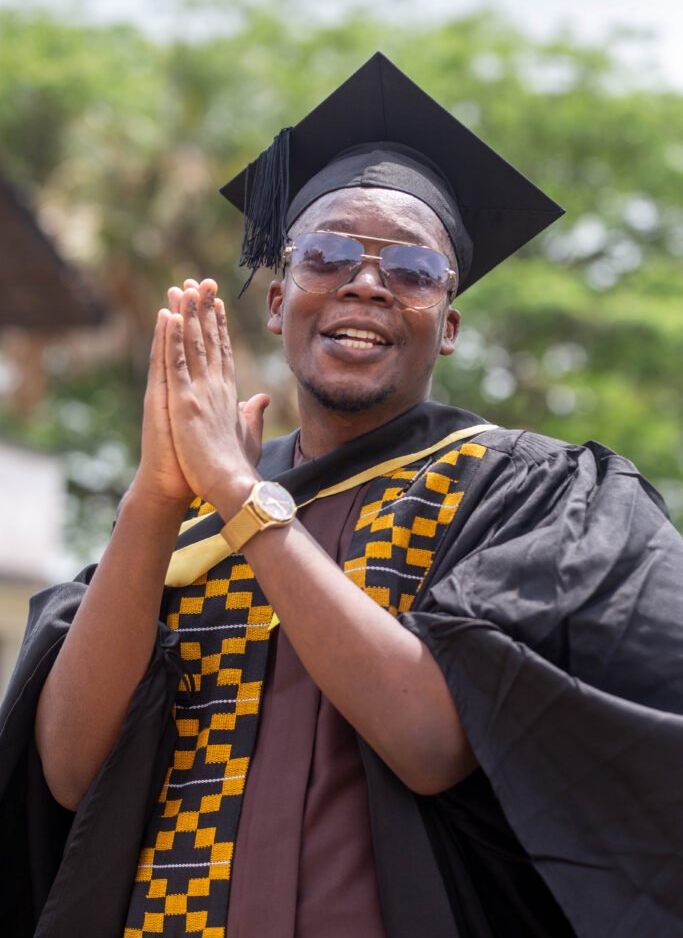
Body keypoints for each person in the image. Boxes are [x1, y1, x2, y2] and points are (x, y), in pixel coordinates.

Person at [1, 53, 682, 938]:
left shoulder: (525, 494)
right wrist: (155, 499)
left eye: (410, 269)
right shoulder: (179, 519)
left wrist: (242, 500)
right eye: (327, 255)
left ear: (448, 325)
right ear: (280, 300)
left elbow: (433, 746)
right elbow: (68, 771)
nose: (365, 281)